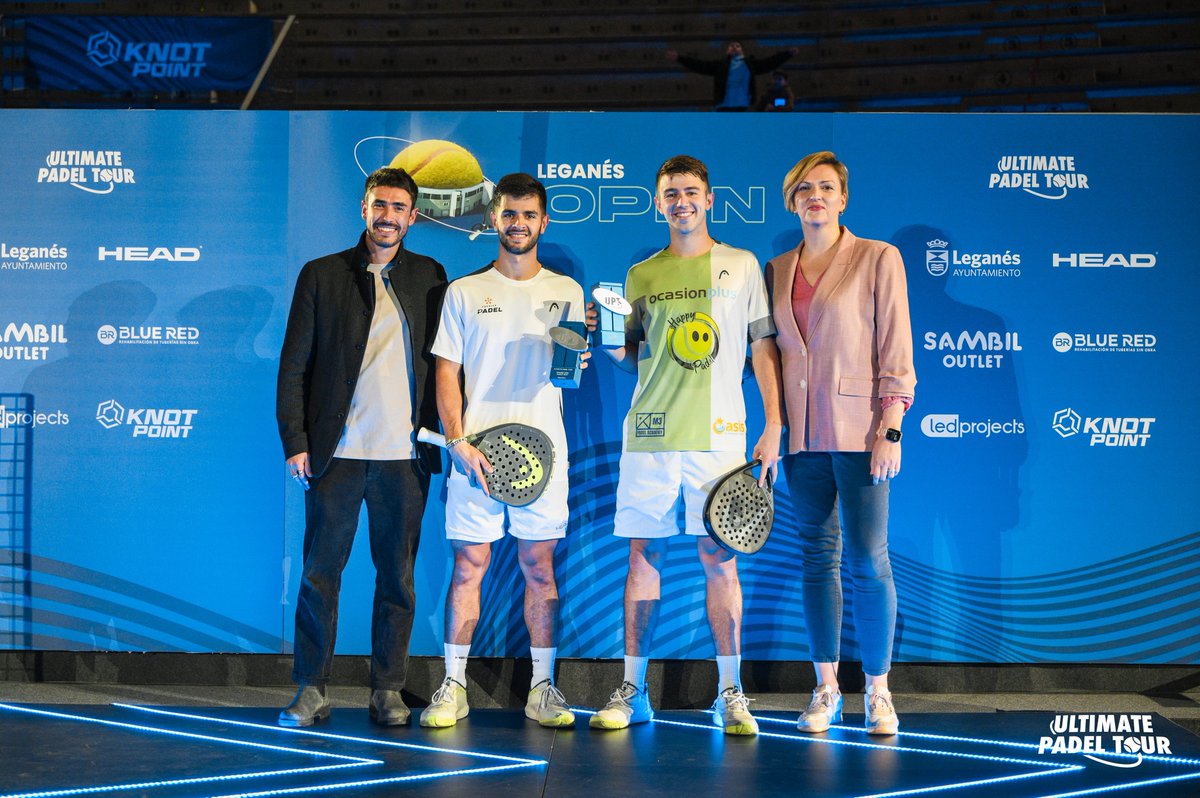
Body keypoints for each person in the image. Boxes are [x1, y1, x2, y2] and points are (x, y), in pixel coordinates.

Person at [587, 155, 783, 736]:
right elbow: (631, 361)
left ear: (709, 199)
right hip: (649, 436)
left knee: (719, 560)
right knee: (643, 557)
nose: (681, 202)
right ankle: (633, 690)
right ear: (658, 203)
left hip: (720, 437)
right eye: (671, 193)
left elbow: (764, 350)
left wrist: (774, 423)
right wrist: (605, 341)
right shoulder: (642, 274)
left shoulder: (742, 265)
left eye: (691, 192)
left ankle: (730, 693)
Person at [276, 167, 447, 727]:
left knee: (396, 579)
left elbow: (448, 364)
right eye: (380, 205)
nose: (388, 216)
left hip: (406, 458)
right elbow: (293, 366)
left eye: (399, 207)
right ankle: (311, 688)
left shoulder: (431, 276)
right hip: (336, 455)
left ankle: (387, 689)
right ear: (364, 208)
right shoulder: (321, 275)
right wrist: (296, 442)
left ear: (413, 216)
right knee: (319, 575)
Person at [420, 173, 587, 730]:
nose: (519, 224)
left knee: (540, 569)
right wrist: (458, 441)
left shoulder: (567, 292)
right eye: (509, 215)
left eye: (529, 215)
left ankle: (543, 689)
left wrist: (581, 356)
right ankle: (453, 687)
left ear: (544, 221)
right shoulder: (465, 292)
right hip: (477, 459)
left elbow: (570, 373)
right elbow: (447, 373)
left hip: (545, 457)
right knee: (469, 567)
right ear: (494, 219)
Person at [764, 151, 915, 736]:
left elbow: (896, 349)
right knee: (815, 560)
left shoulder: (879, 257)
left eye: (826, 187)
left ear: (843, 198)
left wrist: (890, 426)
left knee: (869, 560)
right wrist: (775, 427)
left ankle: (877, 690)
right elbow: (770, 356)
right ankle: (825, 688)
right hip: (801, 439)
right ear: (792, 200)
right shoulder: (775, 269)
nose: (816, 196)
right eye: (804, 188)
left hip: (861, 433)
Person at [666, 41, 797, 111]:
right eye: (731, 46)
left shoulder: (750, 64)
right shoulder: (721, 65)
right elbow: (700, 65)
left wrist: (786, 55)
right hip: (723, 105)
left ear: (742, 50)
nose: (734, 47)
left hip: (742, 105)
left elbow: (769, 63)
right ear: (727, 50)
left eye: (737, 46)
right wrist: (680, 58)